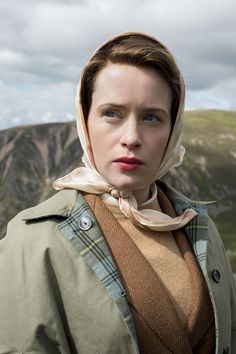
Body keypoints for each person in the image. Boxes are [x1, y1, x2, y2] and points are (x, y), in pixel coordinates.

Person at [0, 32, 235, 354]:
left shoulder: (200, 226)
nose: (131, 137)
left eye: (152, 117)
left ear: (172, 130)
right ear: (85, 119)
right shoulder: (34, 239)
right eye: (112, 113)